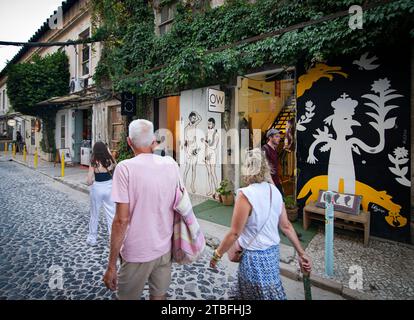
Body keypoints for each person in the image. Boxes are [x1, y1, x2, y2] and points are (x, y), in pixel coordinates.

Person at [210, 148, 311, 300]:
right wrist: (302, 254)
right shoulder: (275, 192)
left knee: (260, 293)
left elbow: (235, 233)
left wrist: (217, 254)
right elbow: (286, 226)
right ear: (265, 168)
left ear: (247, 169)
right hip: (272, 255)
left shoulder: (245, 194)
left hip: (253, 259)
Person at [103, 119, 181, 300]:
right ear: (153, 140)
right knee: (159, 297)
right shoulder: (171, 165)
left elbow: (121, 220)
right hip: (164, 249)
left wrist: (112, 265)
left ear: (129, 142)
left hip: (137, 252)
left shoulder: (125, 168)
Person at [86, 141, 117, 246]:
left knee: (94, 214)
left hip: (97, 188)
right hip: (109, 187)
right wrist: (108, 152)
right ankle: (112, 238)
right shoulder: (110, 159)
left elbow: (89, 180)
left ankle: (92, 238)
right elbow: (116, 167)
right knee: (111, 214)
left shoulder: (94, 161)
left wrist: (90, 183)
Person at [262, 128, 284, 197]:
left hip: (276, 181)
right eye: (276, 136)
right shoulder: (265, 149)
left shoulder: (274, 149)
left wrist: (279, 179)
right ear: (270, 137)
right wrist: (273, 185)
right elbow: (265, 169)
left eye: (279, 137)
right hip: (269, 183)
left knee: (281, 202)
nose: (279, 138)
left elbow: (275, 166)